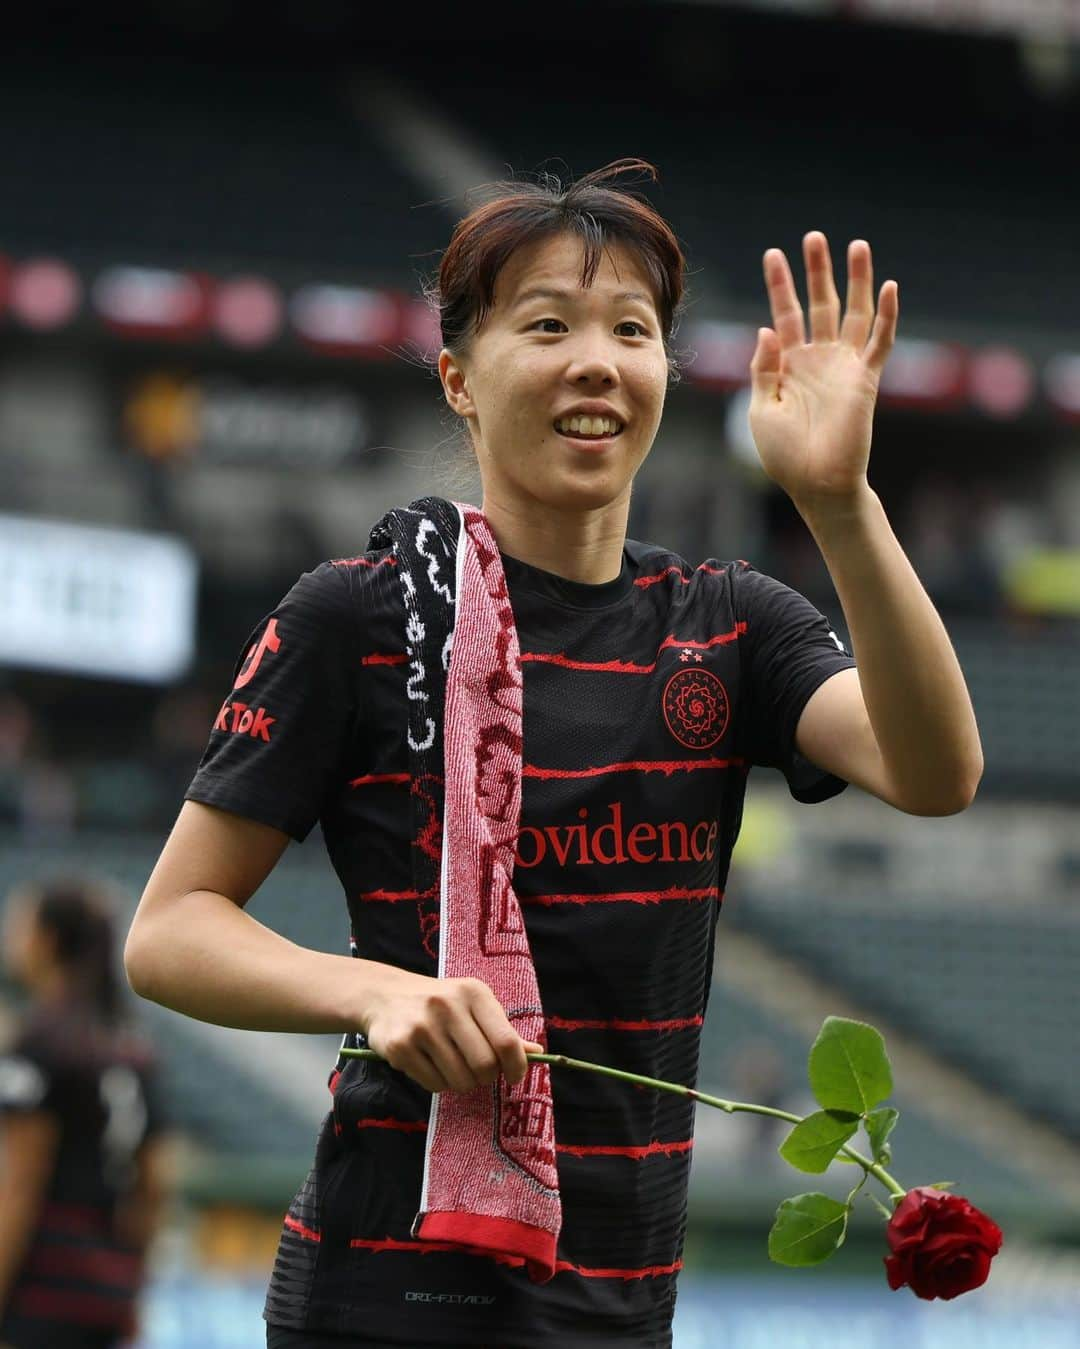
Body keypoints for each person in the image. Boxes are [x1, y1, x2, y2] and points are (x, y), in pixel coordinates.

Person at [124, 160, 983, 1349]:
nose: (598, 359)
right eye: (547, 325)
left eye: (632, 329)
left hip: (624, 1297)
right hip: (389, 1294)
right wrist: (379, 990)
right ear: (460, 381)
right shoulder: (358, 617)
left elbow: (936, 773)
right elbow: (169, 930)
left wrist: (840, 502)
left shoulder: (731, 623)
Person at [0, 879, 169, 1349]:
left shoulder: (39, 1043)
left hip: (43, 1289)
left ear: (48, 940)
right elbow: (154, 1183)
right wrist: (131, 1287)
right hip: (106, 1288)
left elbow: (20, 1181)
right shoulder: (131, 1049)